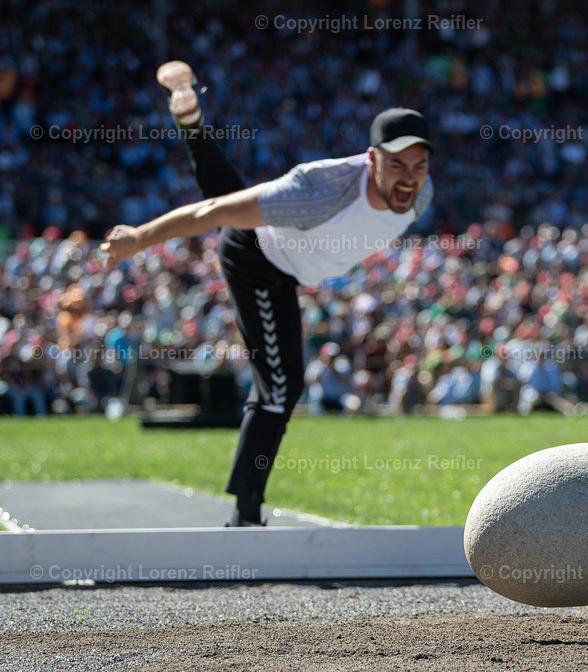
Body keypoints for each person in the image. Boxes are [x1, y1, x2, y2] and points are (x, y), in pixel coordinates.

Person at [101, 62, 434, 525]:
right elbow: (212, 212)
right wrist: (139, 239)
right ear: (371, 159)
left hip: (290, 265)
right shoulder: (318, 189)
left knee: (229, 194)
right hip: (259, 262)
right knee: (280, 388)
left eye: (419, 165)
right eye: (396, 164)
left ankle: (193, 123)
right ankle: (246, 512)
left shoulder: (421, 192)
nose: (409, 178)